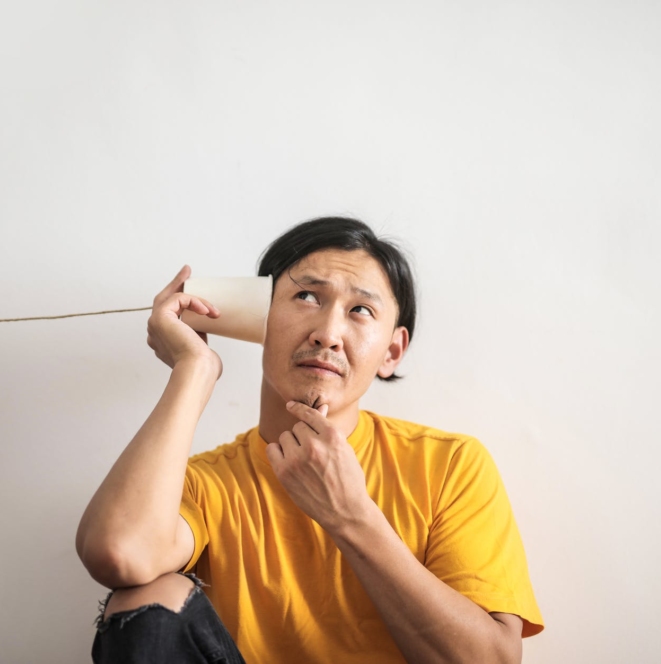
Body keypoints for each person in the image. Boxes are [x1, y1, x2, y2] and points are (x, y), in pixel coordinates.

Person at [76, 217, 544, 663]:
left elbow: (493, 660)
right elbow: (119, 553)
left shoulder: (450, 466)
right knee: (147, 593)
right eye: (306, 296)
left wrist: (351, 516)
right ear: (258, 317)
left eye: (360, 310)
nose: (328, 334)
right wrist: (194, 370)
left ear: (392, 351)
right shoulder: (204, 484)